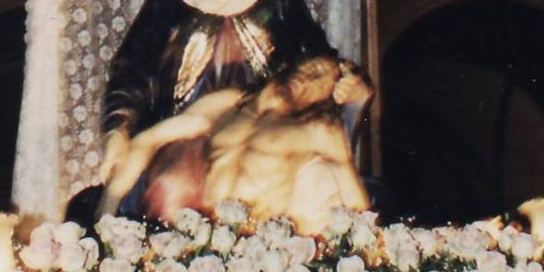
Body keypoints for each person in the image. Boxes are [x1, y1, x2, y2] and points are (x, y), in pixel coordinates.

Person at [98, 0, 333, 204]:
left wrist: (347, 80)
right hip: (187, 123)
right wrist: (118, 127)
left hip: (257, 124)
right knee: (173, 186)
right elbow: (134, 64)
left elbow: (314, 56)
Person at [99, 54, 372, 232]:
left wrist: (369, 252)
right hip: (202, 240)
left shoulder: (318, 130)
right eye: (313, 66)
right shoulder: (228, 105)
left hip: (257, 248)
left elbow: (358, 208)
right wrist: (105, 213)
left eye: (322, 79)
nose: (310, 76)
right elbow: (149, 140)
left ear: (332, 95)